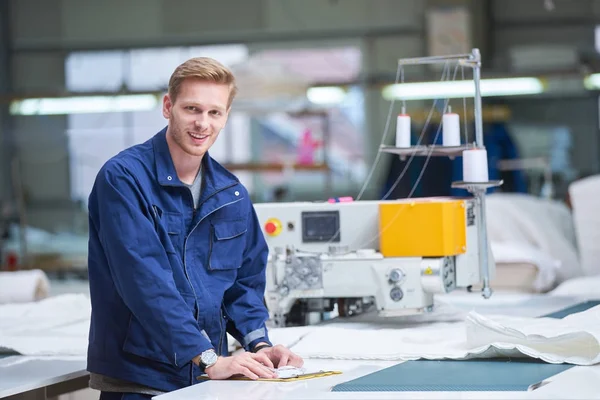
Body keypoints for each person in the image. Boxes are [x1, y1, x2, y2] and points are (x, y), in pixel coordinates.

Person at [86, 57, 303, 400]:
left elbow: (242, 285)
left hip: (204, 380)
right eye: (192, 109)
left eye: (214, 112)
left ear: (226, 116)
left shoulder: (230, 194)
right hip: (142, 379)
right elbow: (144, 283)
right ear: (168, 107)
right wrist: (207, 357)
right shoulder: (124, 180)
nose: (203, 123)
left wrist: (259, 343)